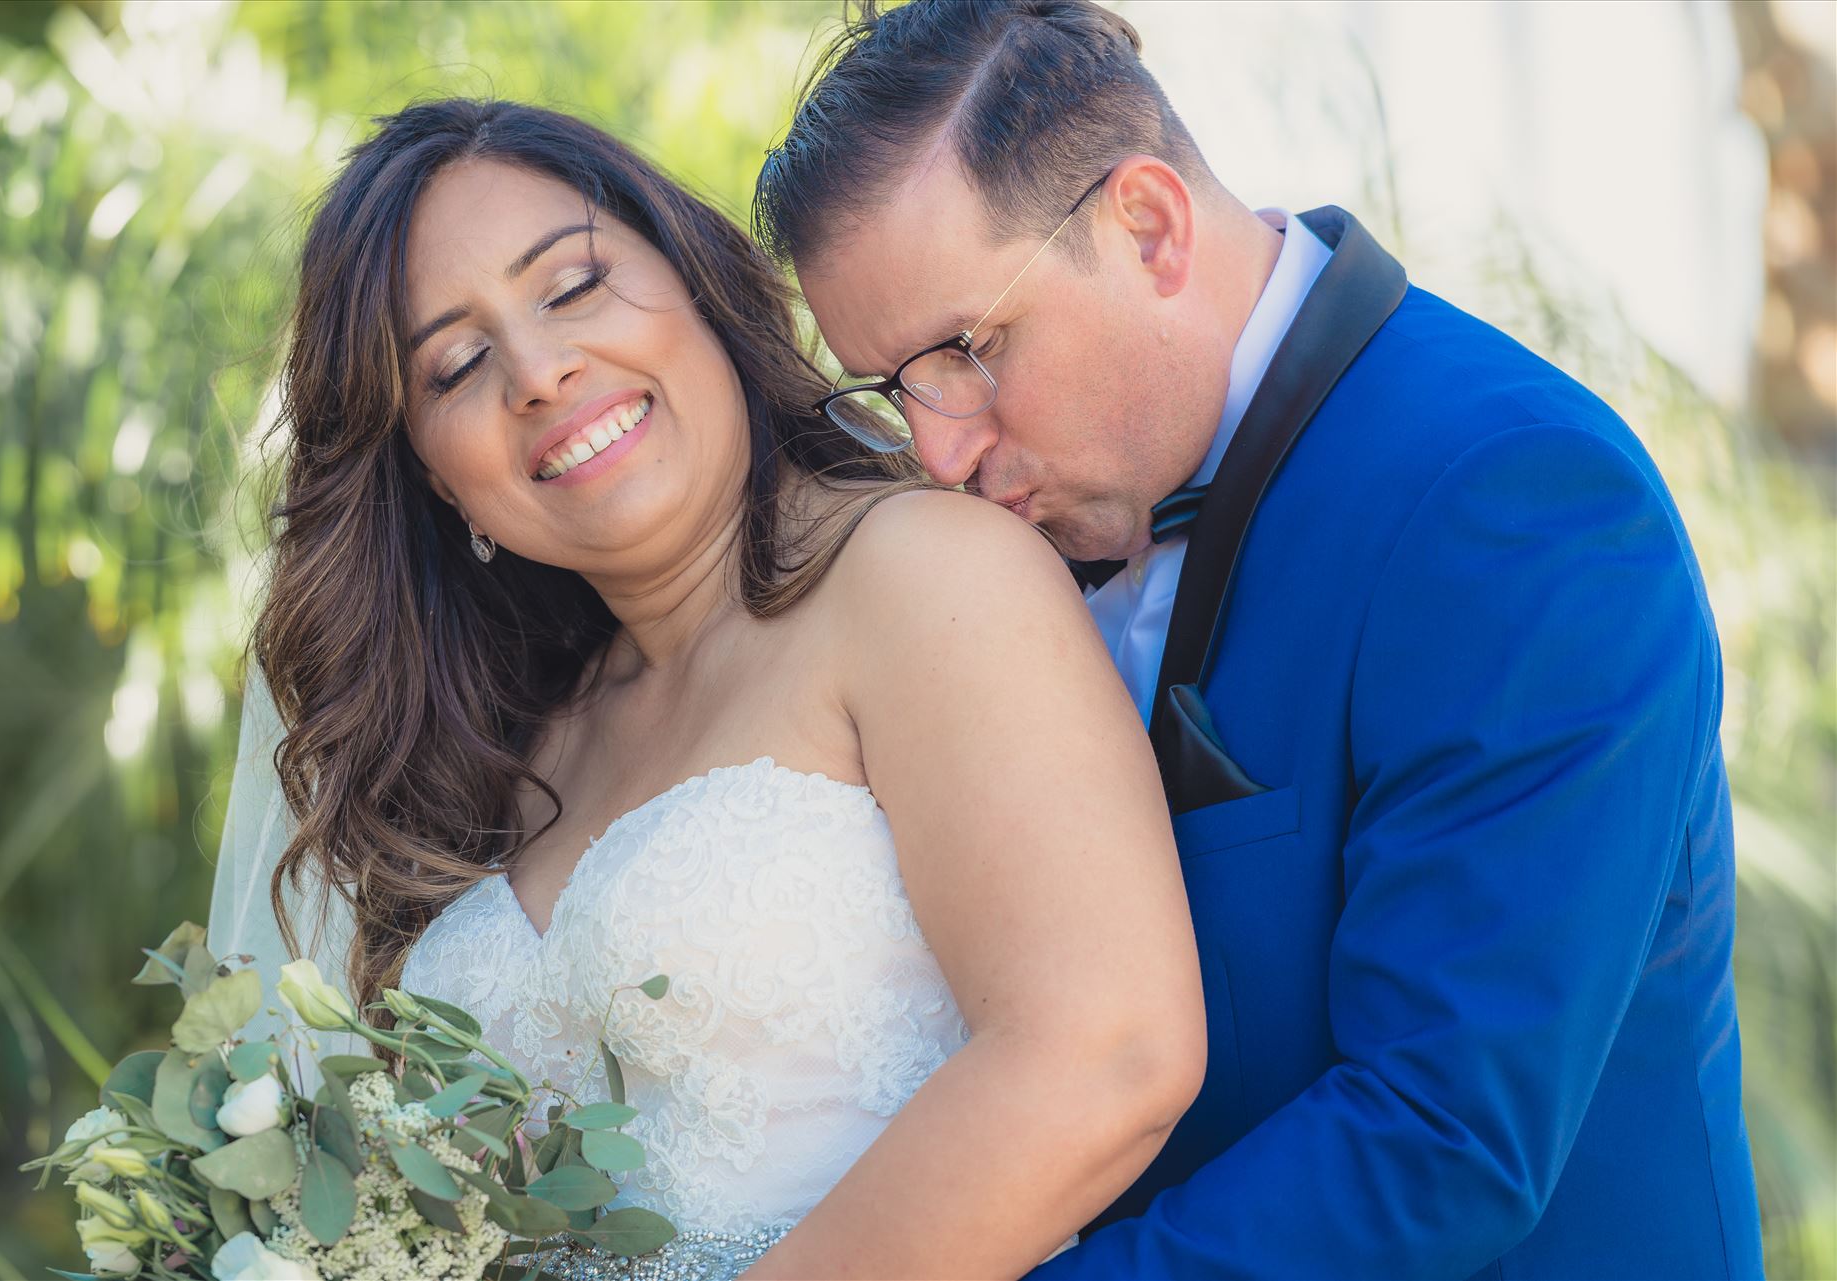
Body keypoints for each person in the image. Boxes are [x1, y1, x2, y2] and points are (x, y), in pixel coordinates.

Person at [755, 1, 1763, 1277]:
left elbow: (1442, 1136)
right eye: (895, 388)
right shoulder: (995, 546)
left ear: (1148, 226)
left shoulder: (1516, 500)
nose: (937, 452)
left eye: (968, 351)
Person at [208, 97, 1205, 1280]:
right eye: (457, 364)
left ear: (694, 282)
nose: (538, 371)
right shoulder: (510, 747)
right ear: (430, 478)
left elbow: (1105, 1053)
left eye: (572, 287)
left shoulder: (919, 573)